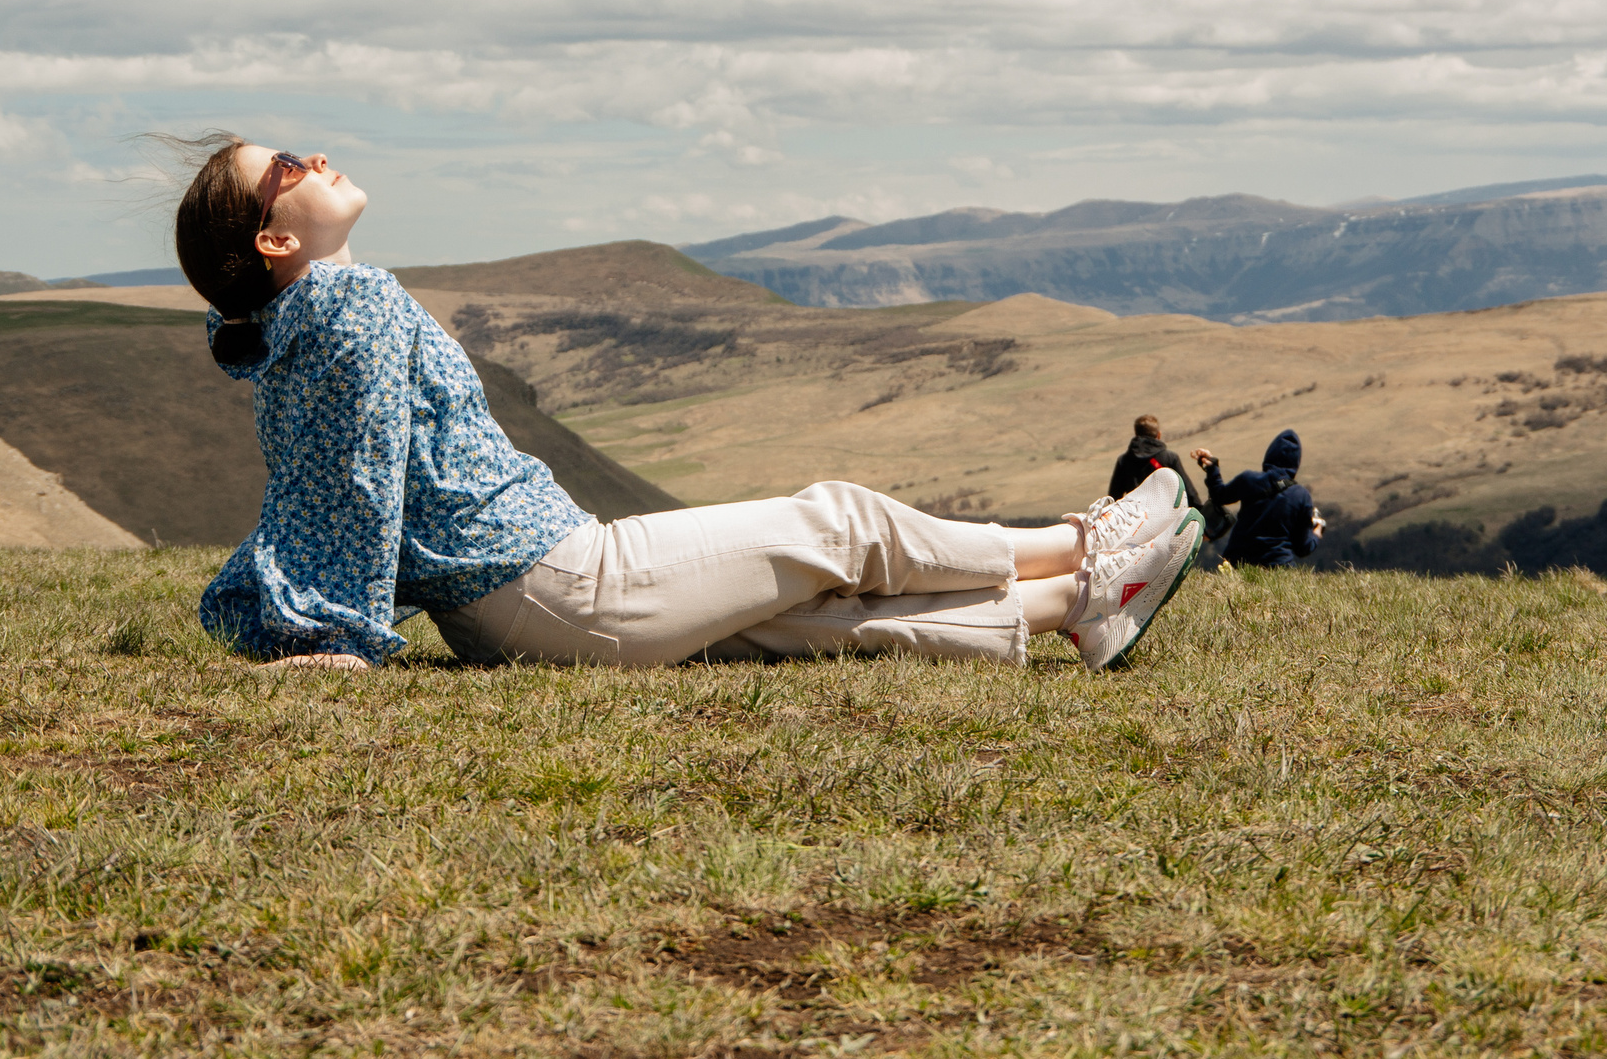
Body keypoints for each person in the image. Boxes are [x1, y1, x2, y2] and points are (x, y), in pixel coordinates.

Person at [167, 135, 1206, 674]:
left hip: (512, 611)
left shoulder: (292, 334)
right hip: (556, 586)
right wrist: (341, 633)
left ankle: (1078, 609)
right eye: (288, 169)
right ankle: (1082, 547)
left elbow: (329, 479)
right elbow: (352, 479)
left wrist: (319, 619)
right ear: (275, 240)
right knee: (835, 523)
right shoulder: (347, 303)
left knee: (811, 629)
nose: (314, 157)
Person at [1212, 429, 1327, 568]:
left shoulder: (1249, 479)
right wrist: (1316, 532)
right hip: (1278, 566)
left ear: (1269, 454)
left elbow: (1219, 496)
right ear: (1295, 462)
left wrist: (1212, 468)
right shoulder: (1301, 495)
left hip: (1237, 562)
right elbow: (1302, 548)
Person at [1107, 415, 1207, 514]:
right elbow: (1188, 492)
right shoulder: (1169, 458)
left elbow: (1113, 498)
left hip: (1136, 521)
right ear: (1158, 435)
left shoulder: (1124, 461)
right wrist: (1201, 516)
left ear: (1136, 434)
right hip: (1165, 519)